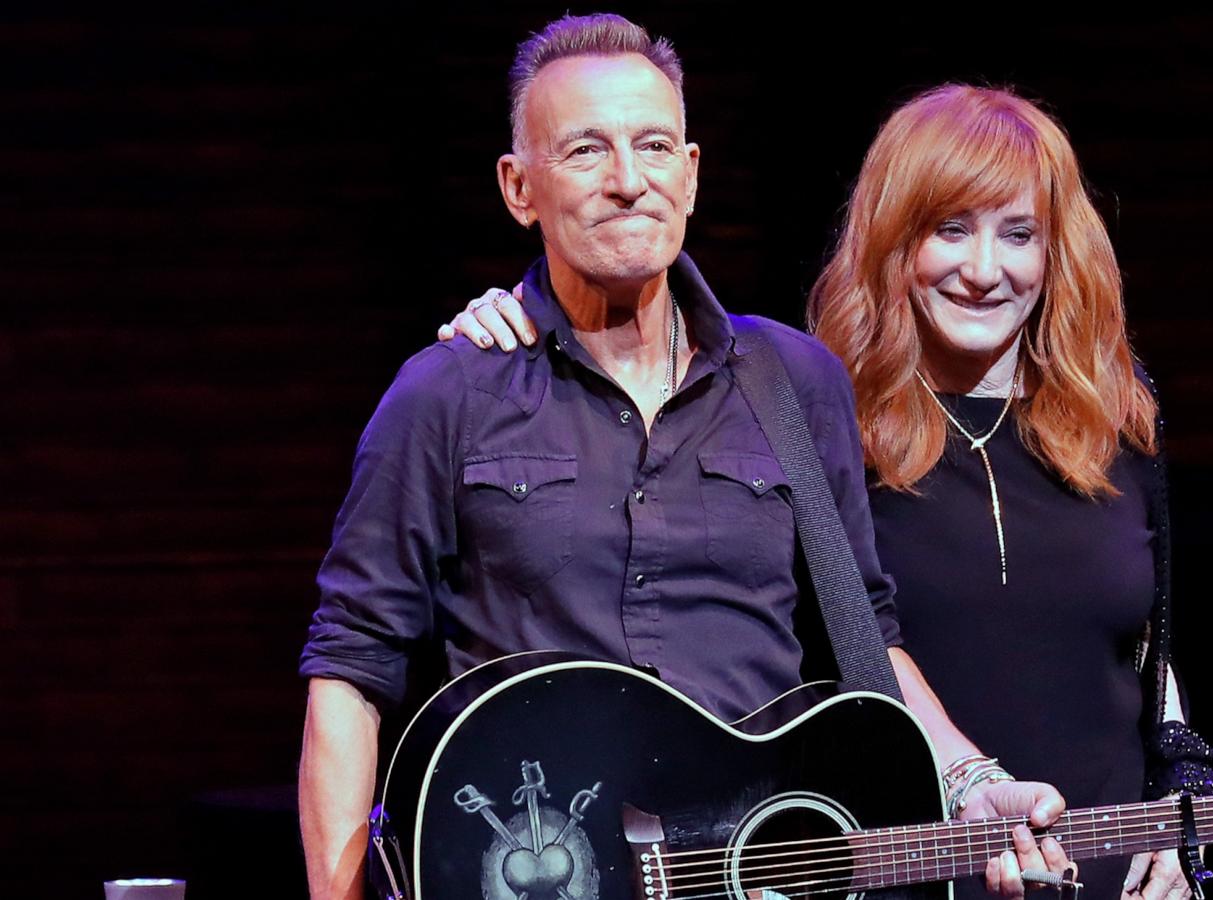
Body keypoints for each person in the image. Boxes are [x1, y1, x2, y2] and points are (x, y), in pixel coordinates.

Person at [298, 15, 1066, 900]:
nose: (630, 181)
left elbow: (867, 639)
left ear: (692, 174)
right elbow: (350, 673)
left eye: (655, 146)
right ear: (519, 188)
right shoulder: (447, 395)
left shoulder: (795, 383)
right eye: (586, 151)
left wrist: (971, 783)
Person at [443, 84, 1213, 900]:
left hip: (1107, 875)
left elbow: (1147, 654)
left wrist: (1178, 818)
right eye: (950, 231)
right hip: (897, 874)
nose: (985, 270)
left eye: (1019, 235)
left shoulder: (1117, 423)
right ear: (894, 242)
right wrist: (518, 320)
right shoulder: (809, 411)